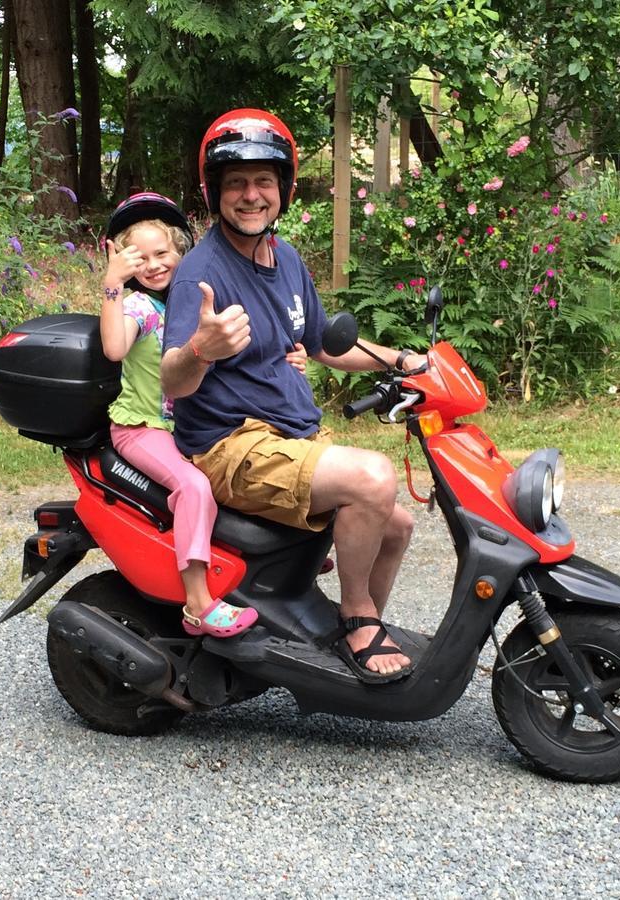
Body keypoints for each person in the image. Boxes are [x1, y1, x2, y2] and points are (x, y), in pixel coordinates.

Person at [160, 109, 427, 683]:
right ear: (215, 192)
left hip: (290, 432)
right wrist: (201, 348)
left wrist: (403, 361)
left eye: (263, 182)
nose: (251, 196)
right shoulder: (200, 274)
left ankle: (357, 622)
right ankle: (358, 620)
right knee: (374, 478)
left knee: (397, 526)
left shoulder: (286, 260)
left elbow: (324, 346)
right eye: (236, 183)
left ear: (282, 187)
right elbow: (172, 382)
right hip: (232, 444)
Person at [102, 192, 276, 639]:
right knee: (194, 485)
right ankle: (198, 603)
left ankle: (269, 561)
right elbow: (114, 348)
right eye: (138, 257)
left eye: (163, 253)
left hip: (184, 427)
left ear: (182, 252)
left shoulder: (185, 304)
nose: (154, 264)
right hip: (141, 428)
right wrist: (112, 284)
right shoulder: (139, 307)